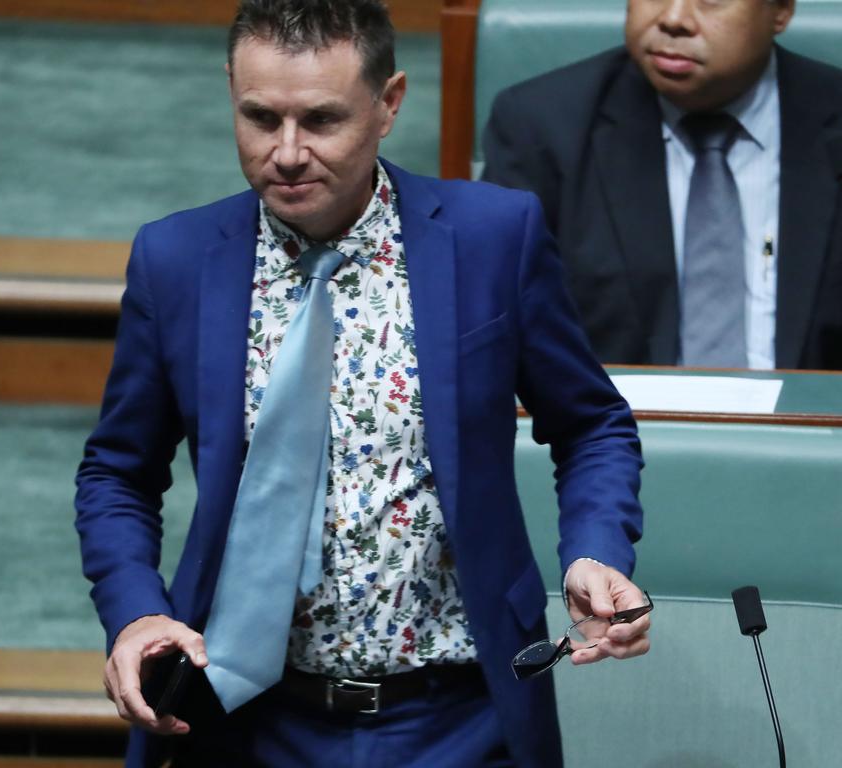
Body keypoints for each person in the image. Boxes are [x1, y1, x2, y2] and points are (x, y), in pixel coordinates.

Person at [76, 2, 649, 766]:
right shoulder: (176, 260)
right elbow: (117, 471)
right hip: (250, 719)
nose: (286, 153)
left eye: (320, 120)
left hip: (460, 716)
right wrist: (135, 614)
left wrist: (594, 549)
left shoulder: (491, 239)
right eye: (258, 117)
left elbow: (591, 426)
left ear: (389, 104)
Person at [483, 0, 842, 370]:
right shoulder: (542, 127)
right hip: (612, 437)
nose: (673, 18)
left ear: (781, 11)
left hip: (822, 436)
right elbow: (493, 325)